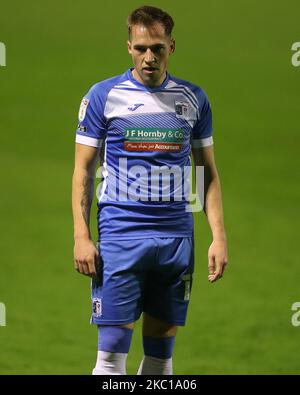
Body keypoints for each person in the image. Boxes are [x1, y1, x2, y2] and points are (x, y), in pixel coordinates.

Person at [72, 5, 228, 375]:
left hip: (175, 239)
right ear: (129, 46)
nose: (148, 57)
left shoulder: (193, 99)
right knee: (110, 357)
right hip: (120, 235)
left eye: (157, 48)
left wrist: (218, 236)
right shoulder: (103, 96)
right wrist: (81, 234)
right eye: (141, 48)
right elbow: (82, 170)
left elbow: (205, 172)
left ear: (171, 47)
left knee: (160, 359)